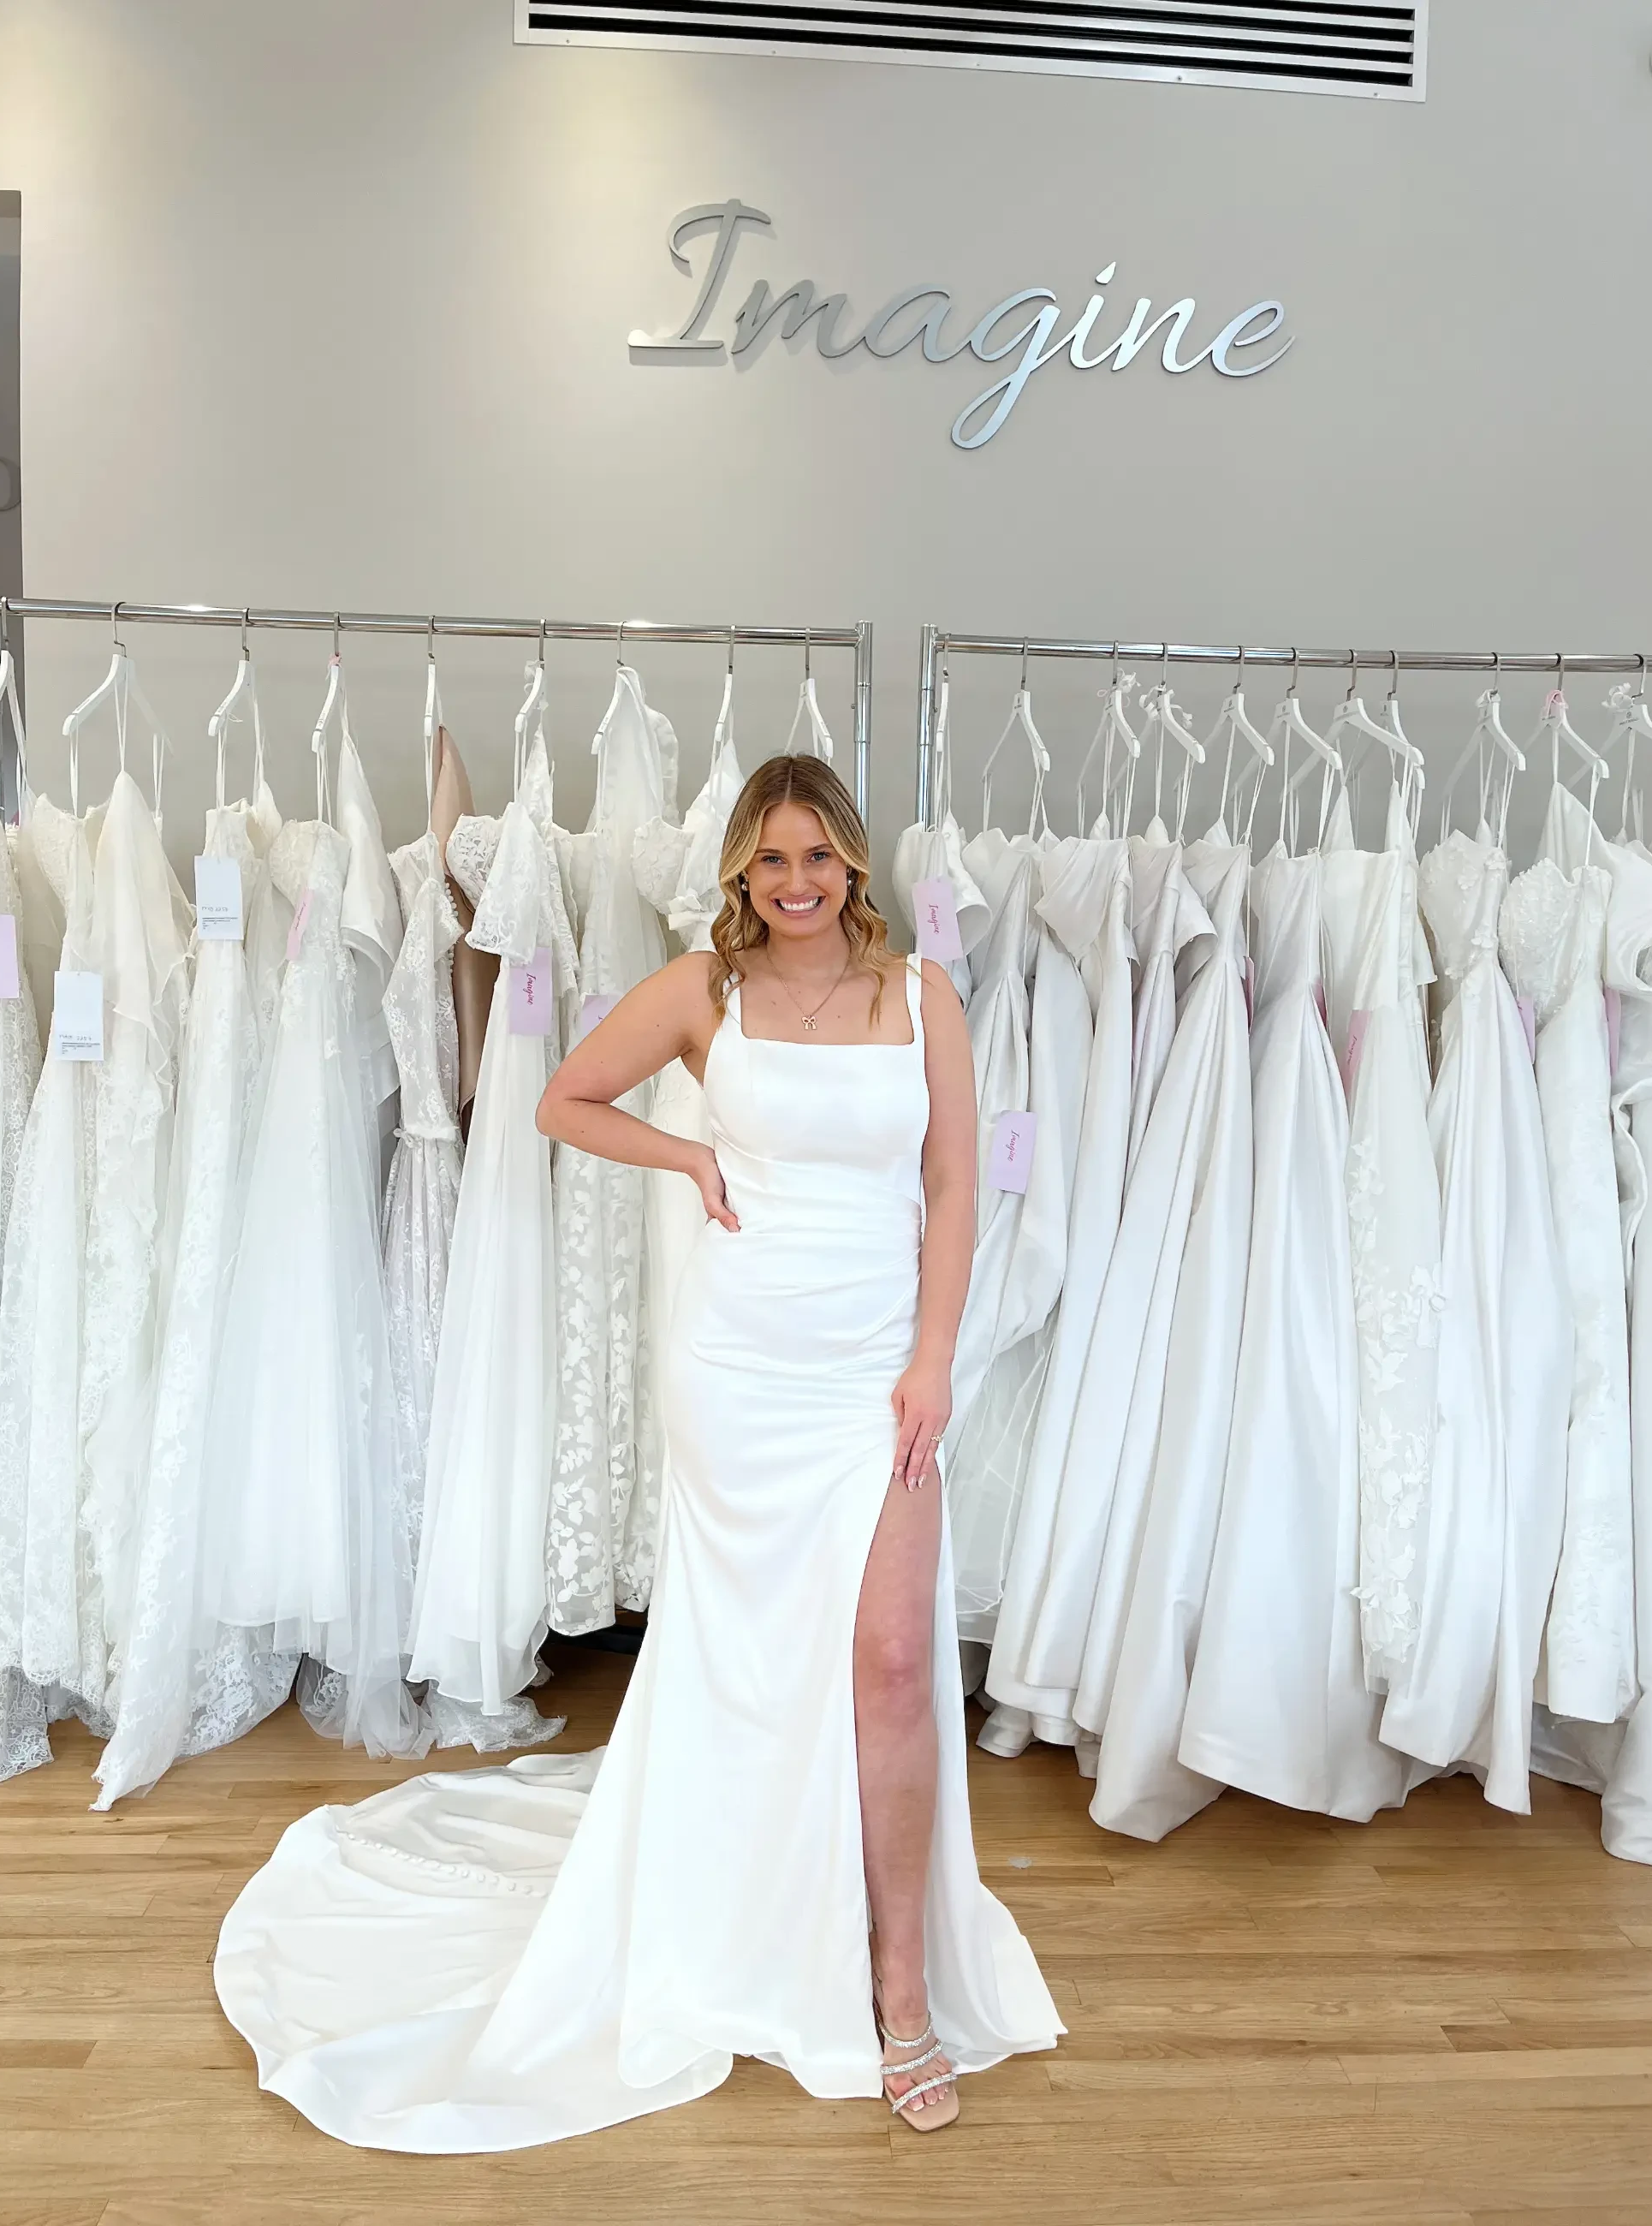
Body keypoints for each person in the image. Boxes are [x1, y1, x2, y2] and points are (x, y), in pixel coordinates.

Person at [211, 753, 1060, 2152]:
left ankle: (901, 1986)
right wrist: (690, 1161)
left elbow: (955, 1185)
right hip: (733, 1370)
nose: (797, 884)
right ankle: (737, 1919)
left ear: (856, 864)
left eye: (819, 858)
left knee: (896, 1667)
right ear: (740, 872)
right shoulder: (699, 991)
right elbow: (556, 1099)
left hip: (874, 1378)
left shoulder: (923, 998)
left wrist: (931, 1363)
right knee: (747, 1658)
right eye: (770, 862)